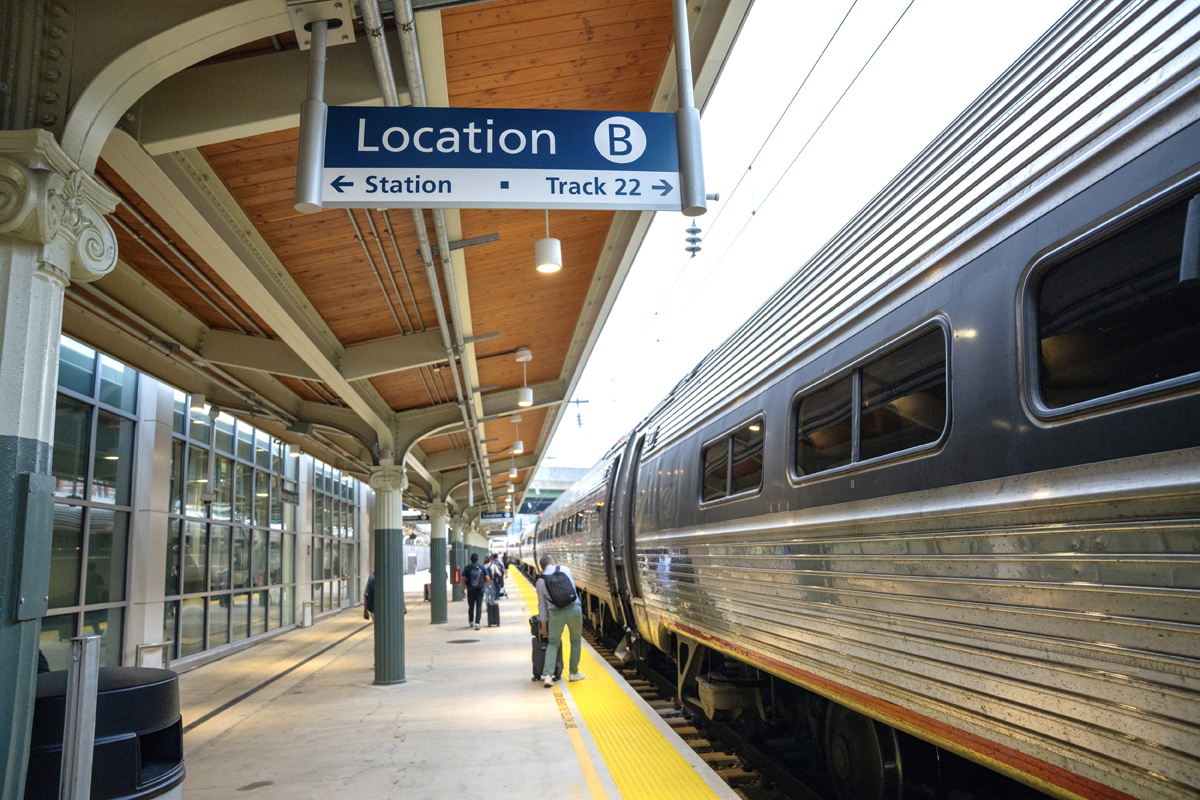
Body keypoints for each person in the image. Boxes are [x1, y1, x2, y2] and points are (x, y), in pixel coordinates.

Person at [536, 555, 584, 687]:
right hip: (574, 609)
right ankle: (574, 673)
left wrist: (543, 626)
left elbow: (542, 606)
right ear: (553, 562)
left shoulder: (540, 580)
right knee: (575, 641)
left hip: (556, 613)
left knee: (553, 643)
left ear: (542, 567)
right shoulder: (565, 569)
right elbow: (572, 589)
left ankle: (547, 676)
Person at [462, 553, 490, 630]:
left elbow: (464, 579)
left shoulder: (467, 568)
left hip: (470, 590)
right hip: (480, 590)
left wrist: (463, 590)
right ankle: (477, 623)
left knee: (471, 606)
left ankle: (471, 621)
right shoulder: (482, 567)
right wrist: (488, 586)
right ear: (477, 559)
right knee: (479, 606)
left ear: (471, 559)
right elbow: (488, 578)